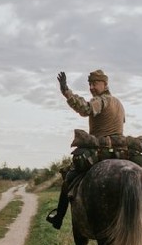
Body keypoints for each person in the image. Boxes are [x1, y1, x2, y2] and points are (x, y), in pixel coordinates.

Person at [45, 69, 125, 229]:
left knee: (69, 177)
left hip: (102, 149)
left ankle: (58, 217)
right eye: (90, 84)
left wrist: (66, 92)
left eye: (95, 83)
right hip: (120, 151)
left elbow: (86, 109)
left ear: (105, 84)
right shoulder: (119, 104)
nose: (91, 87)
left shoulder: (102, 100)